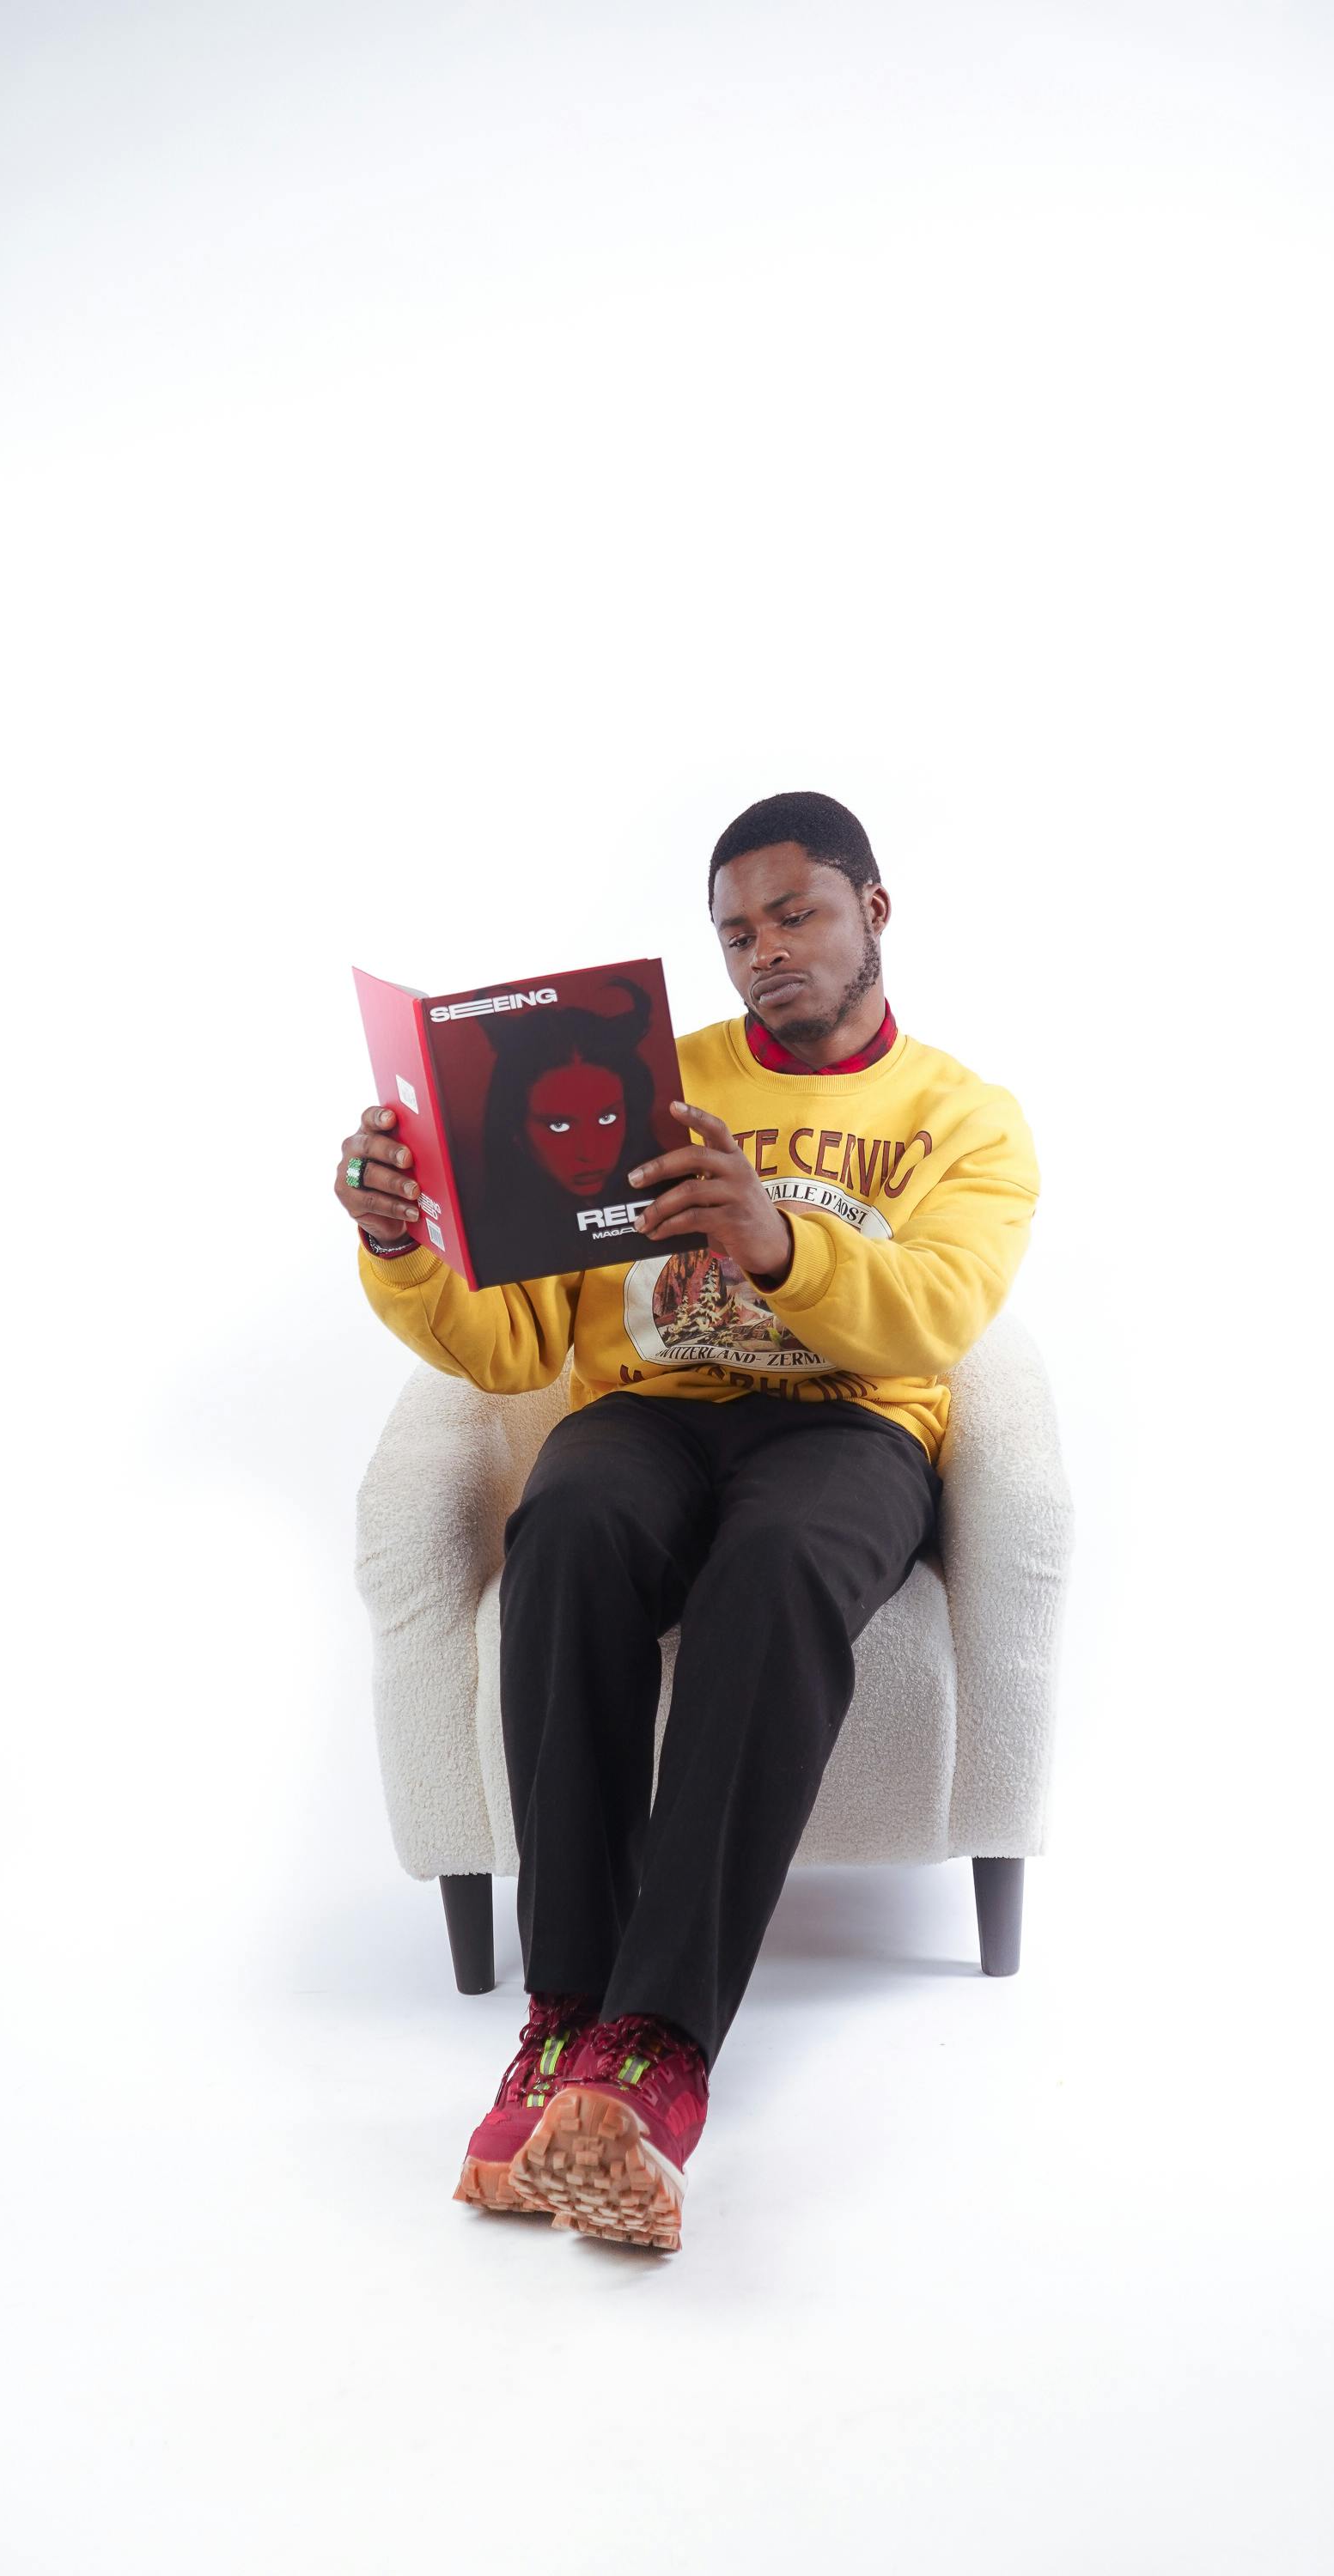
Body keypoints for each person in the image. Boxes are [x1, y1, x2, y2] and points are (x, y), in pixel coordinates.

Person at [334, 790, 1041, 2252]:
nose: (765, 949)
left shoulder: (963, 1118)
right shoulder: (641, 1080)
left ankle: (653, 2054)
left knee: (775, 1564)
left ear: (873, 909)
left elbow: (941, 1311)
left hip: (849, 1427)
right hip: (648, 1409)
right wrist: (403, 1244)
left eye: (796, 912)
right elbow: (518, 1337)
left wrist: (775, 1238)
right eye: (736, 929)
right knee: (571, 1521)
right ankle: (561, 2017)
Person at [468, 973, 674, 1284]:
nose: (589, 1153)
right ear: (516, 1132)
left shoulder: (682, 1203)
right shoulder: (487, 1243)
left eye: (607, 1119)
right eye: (559, 1126)